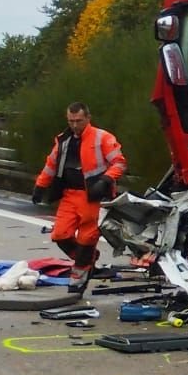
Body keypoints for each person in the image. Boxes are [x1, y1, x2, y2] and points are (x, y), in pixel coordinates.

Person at [31, 102, 126, 285]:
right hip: (69, 195)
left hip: (93, 197)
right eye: (71, 121)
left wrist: (105, 180)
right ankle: (89, 259)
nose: (75, 125)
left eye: (79, 121)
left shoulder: (102, 138)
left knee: (86, 239)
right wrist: (40, 186)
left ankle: (78, 279)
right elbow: (51, 165)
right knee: (60, 234)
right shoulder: (63, 140)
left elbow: (119, 163)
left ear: (88, 118)